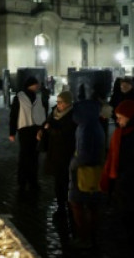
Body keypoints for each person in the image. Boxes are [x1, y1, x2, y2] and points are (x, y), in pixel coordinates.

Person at [101, 100, 134, 258]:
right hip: (125, 188)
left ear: (130, 117)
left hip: (132, 189)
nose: (117, 121)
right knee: (128, 226)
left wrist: (121, 180)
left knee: (133, 227)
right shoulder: (124, 133)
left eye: (120, 117)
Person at [68, 89, 109, 250]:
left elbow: (84, 154)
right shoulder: (94, 125)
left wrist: (73, 163)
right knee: (92, 205)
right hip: (94, 170)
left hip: (84, 173)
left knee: (77, 203)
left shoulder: (86, 128)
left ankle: (85, 237)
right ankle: (92, 237)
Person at [43, 91, 77, 226]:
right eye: (57, 101)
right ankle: (61, 206)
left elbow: (67, 134)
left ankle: (70, 207)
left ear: (68, 103)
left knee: (66, 181)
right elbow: (47, 124)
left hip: (66, 154)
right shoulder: (54, 113)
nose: (58, 104)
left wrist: (50, 129)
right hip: (54, 152)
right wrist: (43, 130)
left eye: (61, 102)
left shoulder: (72, 116)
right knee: (58, 182)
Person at [9, 77, 46, 192]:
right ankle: (22, 181)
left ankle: (33, 181)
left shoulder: (38, 97)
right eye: (36, 84)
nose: (38, 86)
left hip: (36, 129)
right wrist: (12, 132)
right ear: (31, 85)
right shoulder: (19, 97)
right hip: (24, 129)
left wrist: (42, 128)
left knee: (34, 156)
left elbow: (42, 113)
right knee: (25, 157)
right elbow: (14, 115)